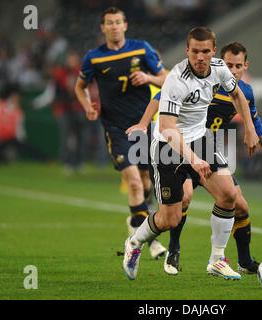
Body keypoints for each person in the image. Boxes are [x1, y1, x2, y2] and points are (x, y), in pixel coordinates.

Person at [127, 42, 262, 276]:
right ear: (220, 61)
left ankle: (231, 260)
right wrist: (143, 124)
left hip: (207, 148)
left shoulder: (243, 91)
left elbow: (257, 127)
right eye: (229, 65)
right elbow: (160, 98)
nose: (233, 70)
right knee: (180, 204)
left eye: (238, 66)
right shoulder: (200, 79)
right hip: (177, 145)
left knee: (236, 201)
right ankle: (171, 249)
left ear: (245, 66)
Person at [122, 27, 260, 281]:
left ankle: (217, 260)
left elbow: (238, 95)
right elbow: (166, 127)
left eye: (205, 51)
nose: (200, 57)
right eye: (195, 51)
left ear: (213, 52)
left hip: (200, 139)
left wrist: (250, 129)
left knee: (229, 195)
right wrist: (194, 160)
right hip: (168, 147)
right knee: (169, 219)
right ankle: (135, 242)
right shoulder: (177, 79)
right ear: (187, 51)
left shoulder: (219, 68)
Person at [74, 7, 168, 259]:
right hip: (115, 129)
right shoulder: (94, 57)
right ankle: (151, 243)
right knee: (134, 183)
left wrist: (148, 77)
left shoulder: (141, 49)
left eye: (118, 22)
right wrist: (87, 107)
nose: (114, 26)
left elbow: (167, 79)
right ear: (102, 28)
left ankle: (136, 222)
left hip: (142, 126)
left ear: (125, 25)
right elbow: (79, 86)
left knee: (147, 182)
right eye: (109, 23)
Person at [0, 82, 46, 163]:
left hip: (12, 138)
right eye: (15, 96)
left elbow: (19, 128)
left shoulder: (18, 111)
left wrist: (21, 139)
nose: (17, 98)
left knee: (26, 147)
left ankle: (44, 159)